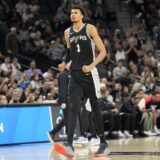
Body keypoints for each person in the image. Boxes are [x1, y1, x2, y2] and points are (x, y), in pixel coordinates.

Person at [55, 5, 110, 158]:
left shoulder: (90, 28)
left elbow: (103, 51)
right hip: (75, 74)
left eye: (75, 13)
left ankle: (103, 143)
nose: (72, 15)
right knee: (73, 107)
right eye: (71, 13)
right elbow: (69, 54)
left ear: (82, 16)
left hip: (89, 72)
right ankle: (69, 144)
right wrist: (64, 64)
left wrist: (91, 66)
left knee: (93, 107)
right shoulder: (67, 33)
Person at [47, 68, 70, 143]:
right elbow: (63, 89)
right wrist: (63, 101)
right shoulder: (63, 74)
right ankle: (69, 139)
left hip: (69, 99)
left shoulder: (69, 73)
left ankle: (52, 132)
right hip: (65, 100)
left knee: (67, 119)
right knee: (67, 119)